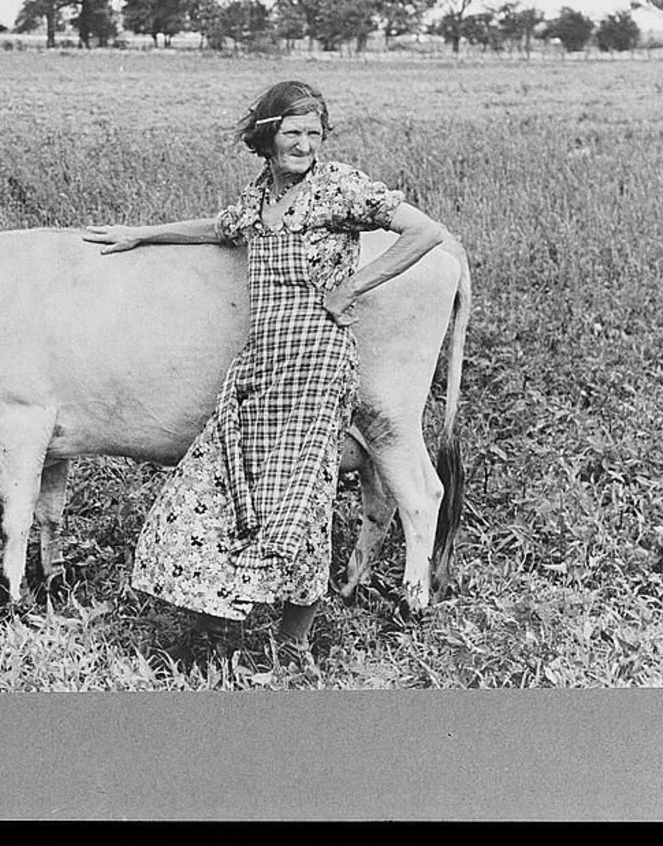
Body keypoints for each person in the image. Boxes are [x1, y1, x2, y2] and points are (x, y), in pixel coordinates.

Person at [83, 80, 443, 677]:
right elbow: (218, 228)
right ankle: (215, 620)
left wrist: (351, 287)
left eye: (314, 134)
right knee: (219, 478)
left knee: (299, 497)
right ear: (267, 137)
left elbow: (425, 232)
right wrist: (143, 234)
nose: (304, 145)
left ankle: (294, 644)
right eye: (292, 132)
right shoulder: (257, 200)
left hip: (316, 362)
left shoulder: (339, 188)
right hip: (262, 360)